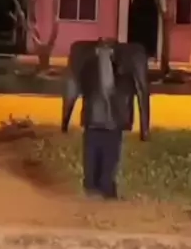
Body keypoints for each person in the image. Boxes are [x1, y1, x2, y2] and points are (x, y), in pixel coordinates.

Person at [61, 39, 150, 199]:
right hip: (114, 120)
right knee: (108, 159)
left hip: (94, 118)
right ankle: (105, 190)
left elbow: (71, 88)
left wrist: (65, 121)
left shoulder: (82, 53)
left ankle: (93, 190)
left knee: (92, 158)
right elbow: (142, 90)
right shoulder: (134, 54)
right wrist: (145, 129)